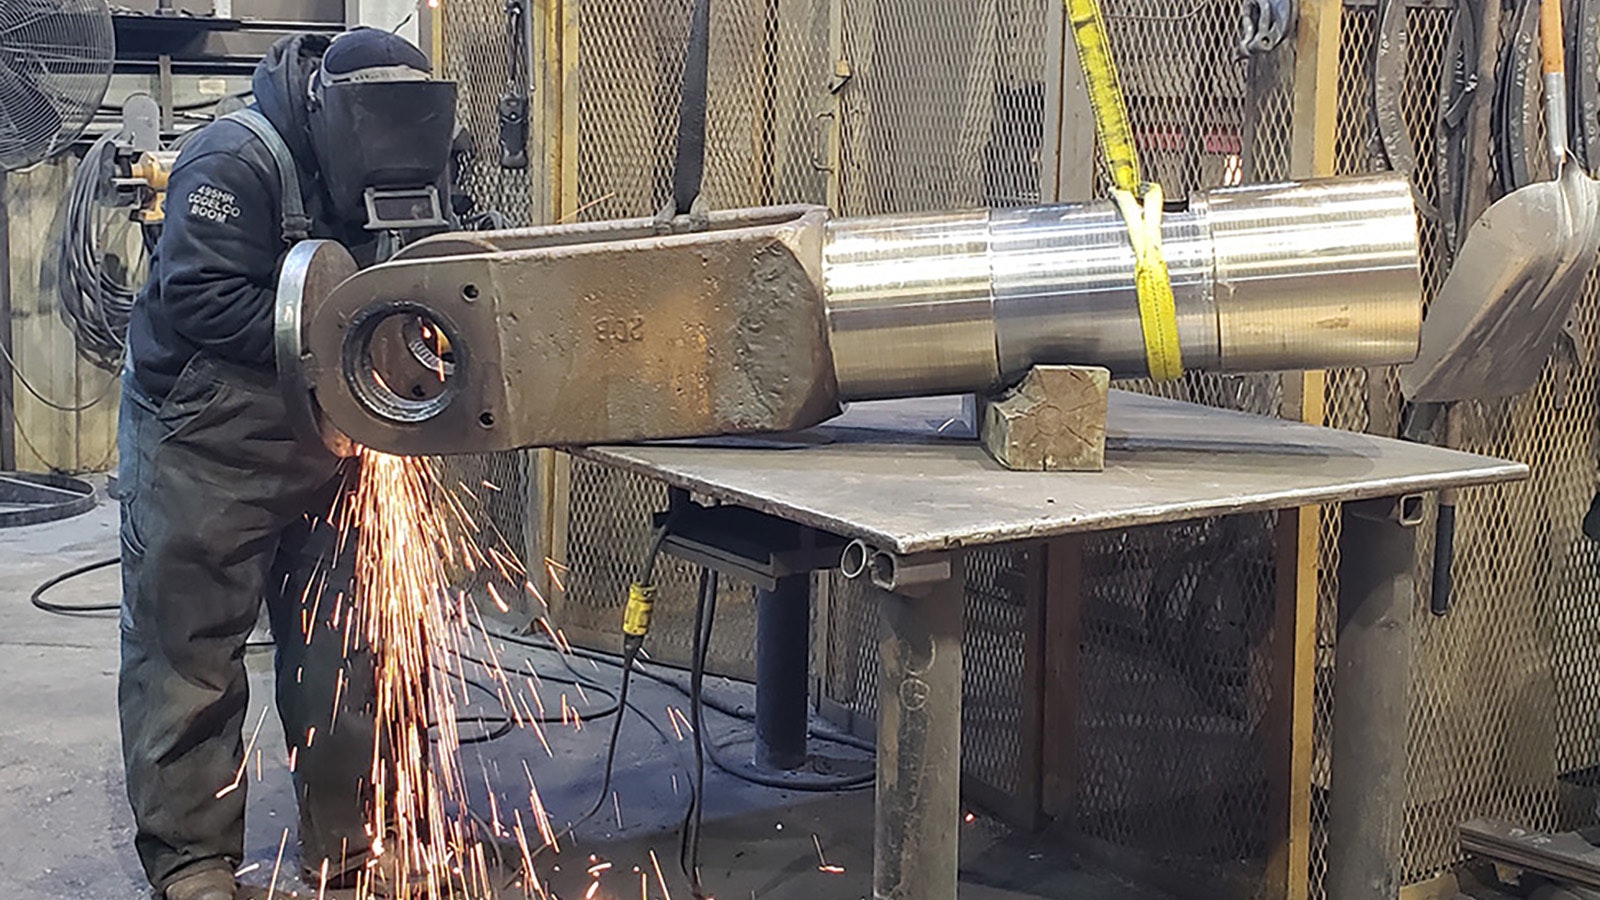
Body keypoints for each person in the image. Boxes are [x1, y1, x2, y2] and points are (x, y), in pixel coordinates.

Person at [117, 28, 450, 900]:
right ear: (329, 116)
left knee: (346, 651)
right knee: (189, 657)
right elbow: (197, 296)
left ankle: (348, 846)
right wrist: (347, 338)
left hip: (333, 438)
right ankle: (193, 863)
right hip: (208, 437)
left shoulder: (409, 159)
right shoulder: (233, 159)